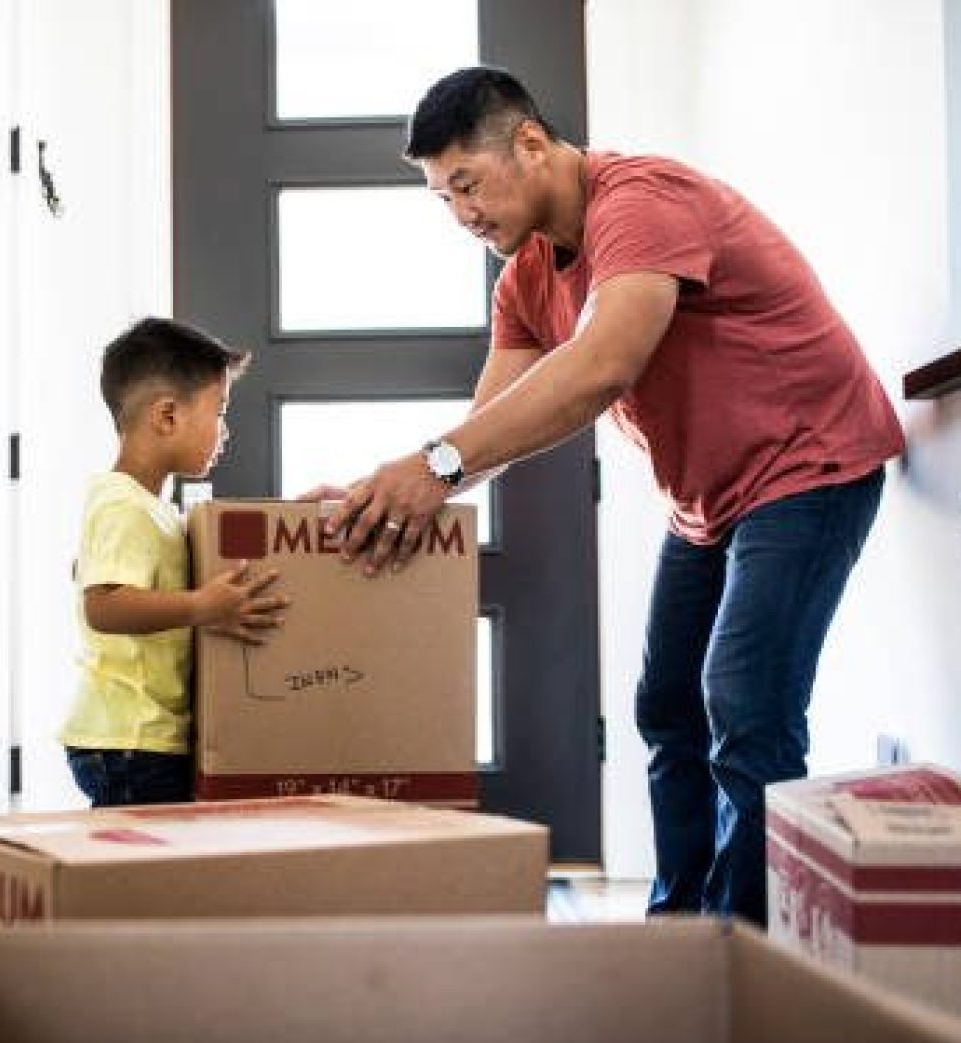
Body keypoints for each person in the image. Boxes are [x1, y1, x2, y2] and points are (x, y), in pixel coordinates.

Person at [321, 67, 902, 925]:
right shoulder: (523, 279)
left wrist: (433, 467)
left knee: (745, 705)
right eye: (443, 198)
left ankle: (746, 948)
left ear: (529, 143)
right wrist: (391, 491)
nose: (462, 215)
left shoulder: (641, 199)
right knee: (667, 706)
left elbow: (603, 366)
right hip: (710, 498)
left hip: (810, 464)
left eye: (468, 185)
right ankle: (678, 931)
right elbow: (490, 428)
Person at [60, 316, 290, 807]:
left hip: (145, 736)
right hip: (129, 739)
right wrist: (202, 607)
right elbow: (104, 607)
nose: (225, 431)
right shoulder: (121, 503)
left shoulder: (157, 509)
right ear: (167, 416)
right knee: (138, 873)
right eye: (220, 410)